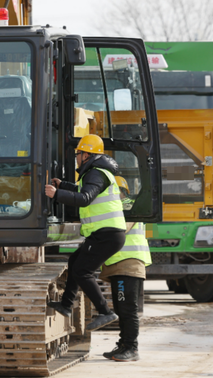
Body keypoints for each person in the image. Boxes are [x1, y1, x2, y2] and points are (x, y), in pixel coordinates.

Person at [44, 134, 126, 331]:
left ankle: (106, 312)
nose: (77, 157)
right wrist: (62, 185)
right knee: (75, 262)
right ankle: (65, 305)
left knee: (83, 271)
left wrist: (57, 195)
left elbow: (85, 198)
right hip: (105, 233)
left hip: (107, 233)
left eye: (78, 153)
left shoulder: (97, 173)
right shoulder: (95, 173)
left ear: (86, 154)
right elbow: (85, 190)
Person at [100, 219, 151, 362]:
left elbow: (119, 230)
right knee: (121, 309)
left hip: (129, 263)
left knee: (127, 309)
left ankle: (131, 348)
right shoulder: (120, 207)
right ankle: (124, 345)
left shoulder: (127, 208)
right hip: (120, 263)